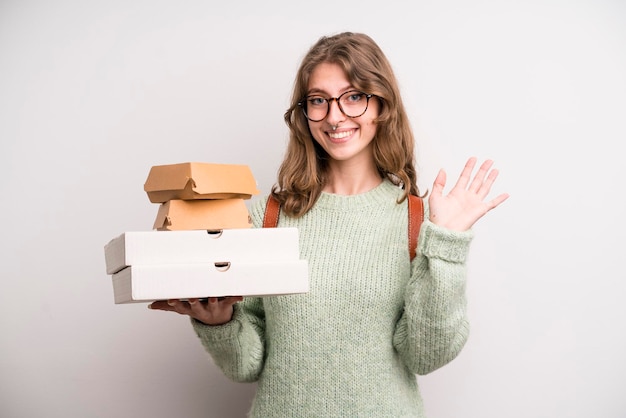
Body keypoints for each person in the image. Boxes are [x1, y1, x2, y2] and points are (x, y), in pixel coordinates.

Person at [149, 31, 509, 417]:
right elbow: (246, 366)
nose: (335, 117)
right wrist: (219, 323)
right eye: (318, 101)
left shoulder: (419, 221)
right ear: (305, 114)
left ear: (382, 105)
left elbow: (426, 355)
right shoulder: (265, 218)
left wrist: (448, 243)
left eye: (353, 96)